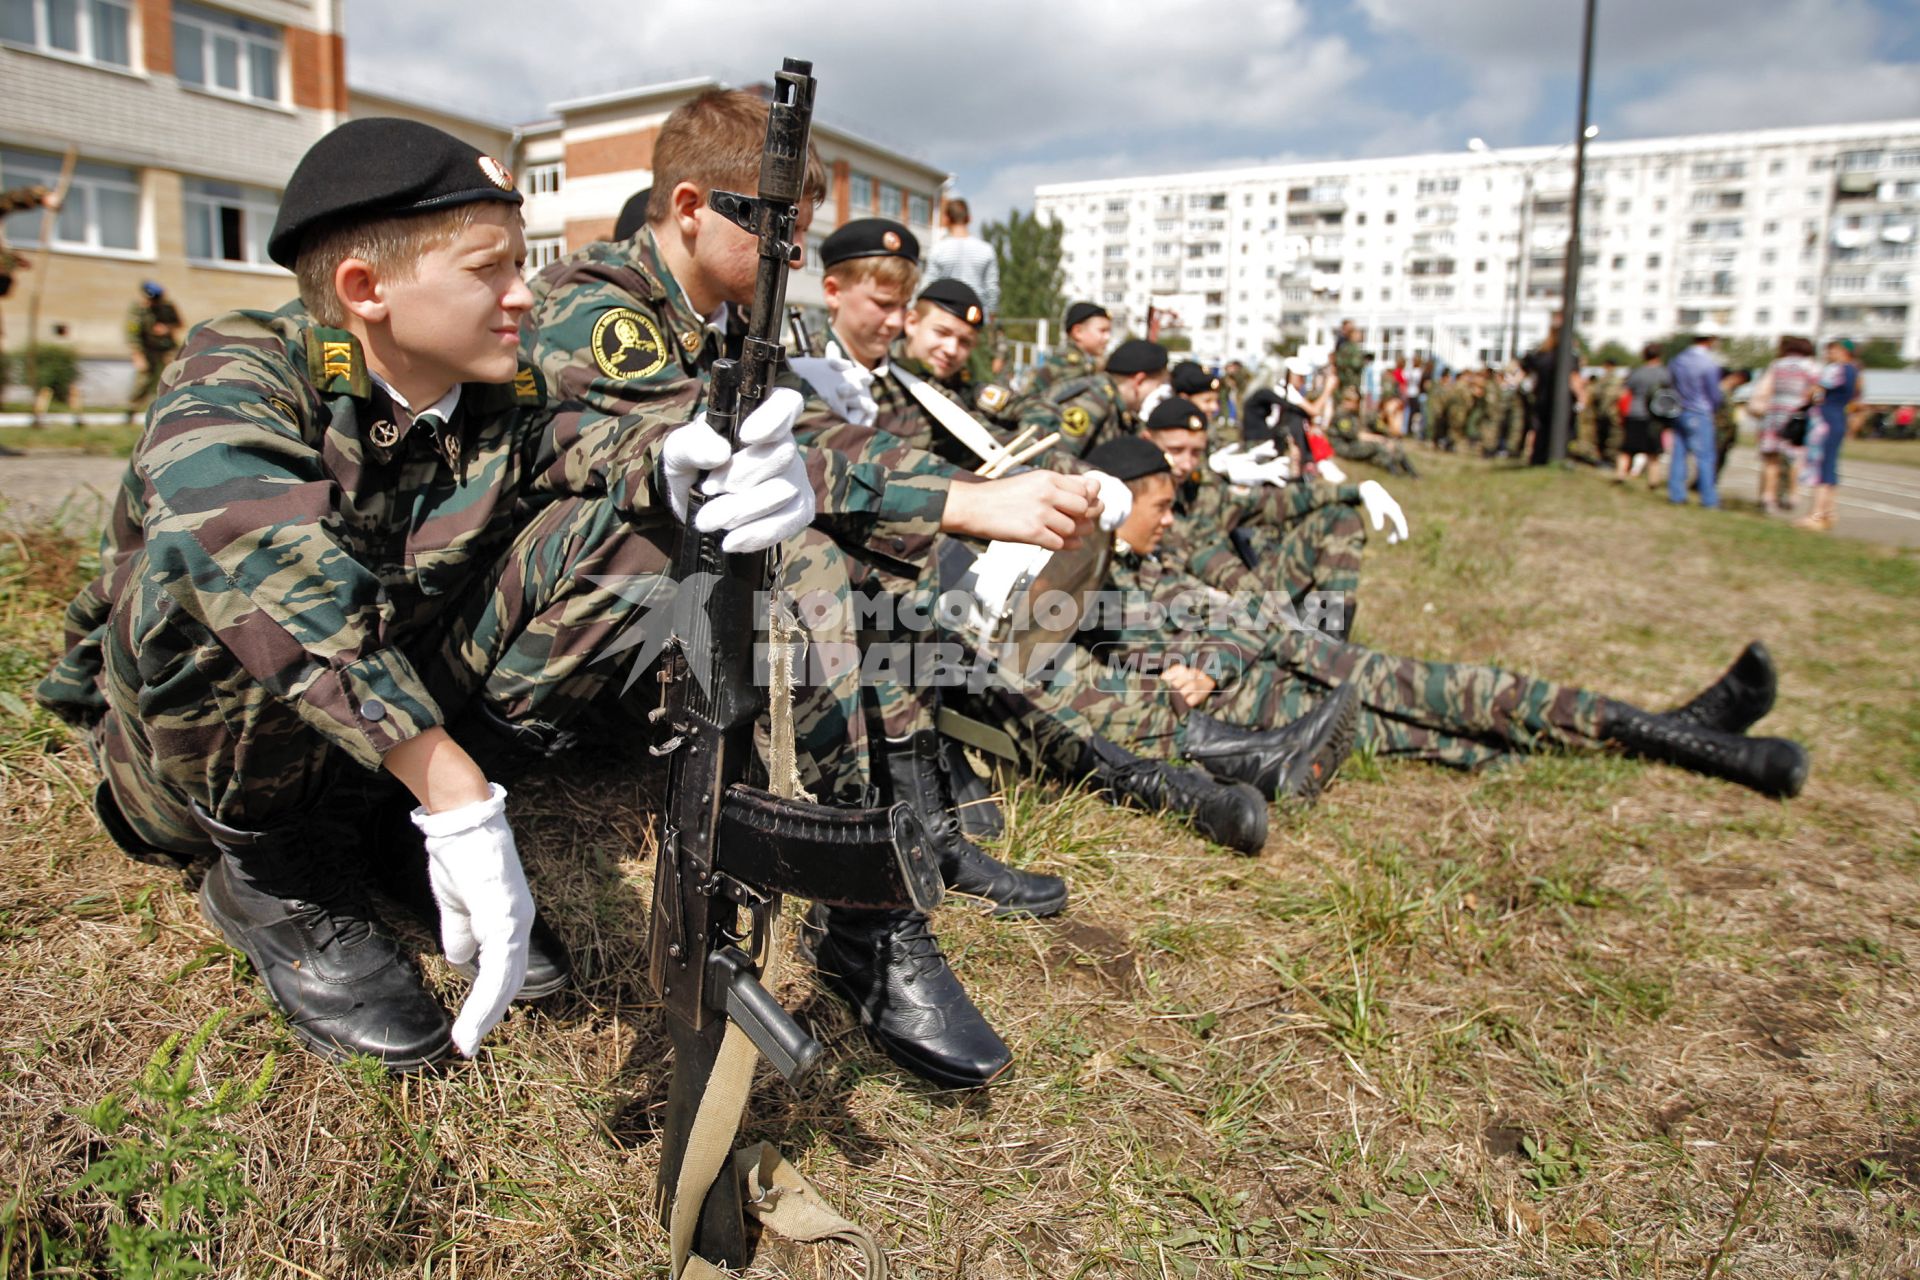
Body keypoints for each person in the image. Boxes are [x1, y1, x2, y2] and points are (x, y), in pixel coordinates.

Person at [34, 119, 820, 1072]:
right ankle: (271, 873)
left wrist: (694, 459)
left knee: (647, 523)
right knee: (223, 575)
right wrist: (455, 797)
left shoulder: (498, 393)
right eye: (488, 270)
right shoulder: (240, 365)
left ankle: (390, 828)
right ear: (368, 292)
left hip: (386, 738)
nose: (524, 295)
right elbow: (245, 537)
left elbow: (594, 439)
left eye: (519, 266)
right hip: (197, 768)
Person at [1075, 434, 1809, 798]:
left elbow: (1237, 622)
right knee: (1458, 737)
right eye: (1161, 506)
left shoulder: (1151, 561)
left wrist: (1212, 661)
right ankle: (1686, 738)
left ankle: (1692, 738)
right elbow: (1145, 685)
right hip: (1281, 709)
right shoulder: (1094, 591)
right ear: (1117, 501)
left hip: (1306, 669)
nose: (1171, 520)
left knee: (1478, 697)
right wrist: (1208, 665)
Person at [1798, 338, 1860, 533]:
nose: (1828, 355)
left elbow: (1814, 391)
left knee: (1821, 466)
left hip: (1825, 420)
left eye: (1831, 350)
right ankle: (1829, 513)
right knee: (1830, 466)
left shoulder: (1836, 369)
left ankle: (1816, 514)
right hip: (1838, 419)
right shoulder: (1855, 371)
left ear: (1842, 351)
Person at [1667, 328, 1724, 508]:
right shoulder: (1708, 363)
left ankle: (1677, 495)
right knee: (1705, 457)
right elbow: (1714, 393)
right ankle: (1709, 499)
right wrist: (1715, 407)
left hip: (1679, 410)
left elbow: (1670, 384)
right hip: (1700, 412)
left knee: (1679, 454)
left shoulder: (1678, 360)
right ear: (1710, 339)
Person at [922, 197, 999, 319]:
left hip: (945, 311)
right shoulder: (986, 250)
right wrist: (991, 314)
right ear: (969, 218)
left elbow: (928, 284)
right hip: (975, 315)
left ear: (946, 219)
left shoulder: (938, 249)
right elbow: (992, 288)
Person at [1021, 301, 1109, 397]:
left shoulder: (1082, 362)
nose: (1107, 337)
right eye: (1102, 331)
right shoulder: (1070, 365)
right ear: (1078, 332)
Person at [125, 280, 183, 420]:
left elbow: (179, 323)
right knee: (144, 380)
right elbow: (133, 334)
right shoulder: (137, 309)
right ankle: (130, 410)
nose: (155, 303)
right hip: (147, 349)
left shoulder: (167, 307)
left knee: (174, 376)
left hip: (166, 348)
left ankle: (171, 408)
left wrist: (167, 328)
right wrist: (138, 356)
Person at [1615, 343, 1670, 484]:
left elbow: (1623, 394)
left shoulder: (1637, 372)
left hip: (1634, 413)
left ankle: (1620, 475)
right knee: (1653, 452)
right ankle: (1653, 481)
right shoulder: (1665, 374)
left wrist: (1621, 413)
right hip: (1654, 416)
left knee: (1627, 448)